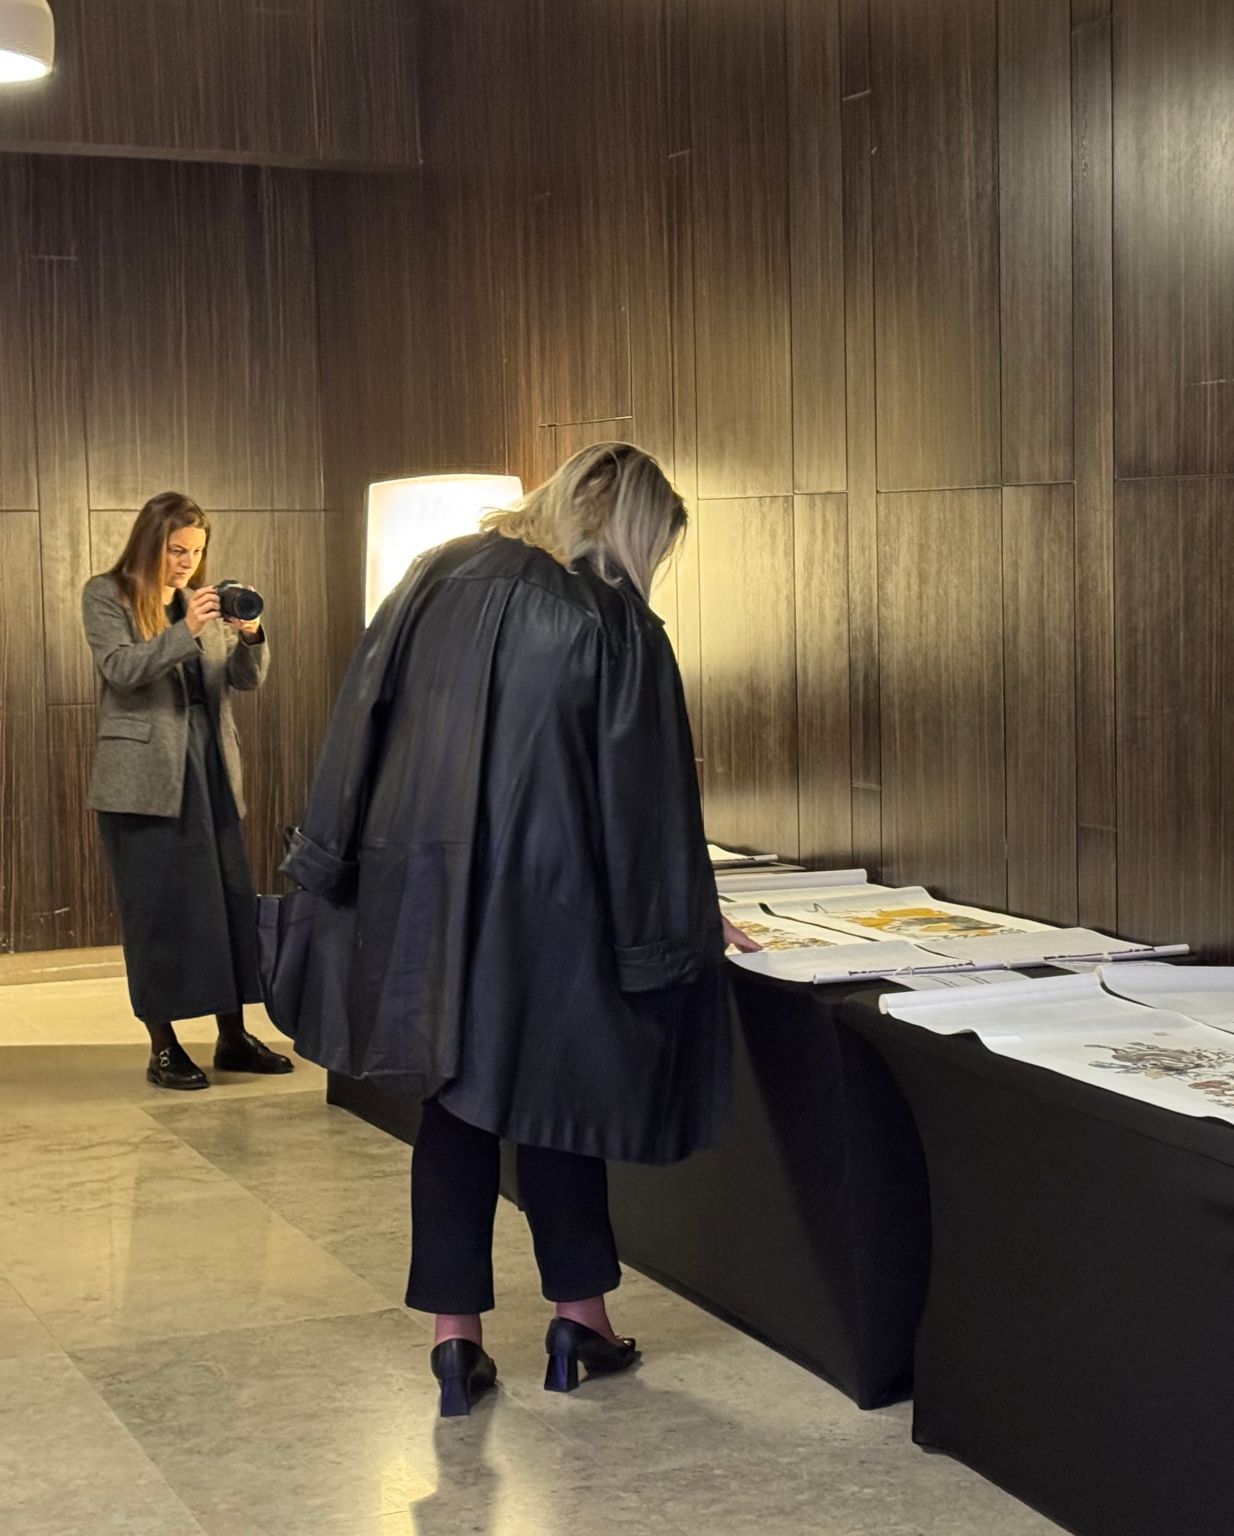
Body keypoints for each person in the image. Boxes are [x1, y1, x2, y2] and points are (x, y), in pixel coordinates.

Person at [277, 443, 759, 1417]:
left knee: (451, 1104)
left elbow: (358, 715)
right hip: (555, 901)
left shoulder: (435, 574)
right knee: (558, 1102)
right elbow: (644, 802)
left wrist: (325, 859)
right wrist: (682, 920)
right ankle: (580, 1321)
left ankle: (455, 1343)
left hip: (424, 887)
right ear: (629, 529)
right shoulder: (615, 621)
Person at [83, 493, 292, 1090]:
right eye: (176, 550)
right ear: (150, 542)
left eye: (196, 551)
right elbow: (121, 669)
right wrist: (188, 629)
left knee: (226, 905)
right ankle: (164, 1046)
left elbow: (244, 681)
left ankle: (233, 1037)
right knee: (157, 912)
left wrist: (250, 633)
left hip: (211, 768)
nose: (186, 562)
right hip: (143, 778)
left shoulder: (205, 599)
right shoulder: (107, 594)